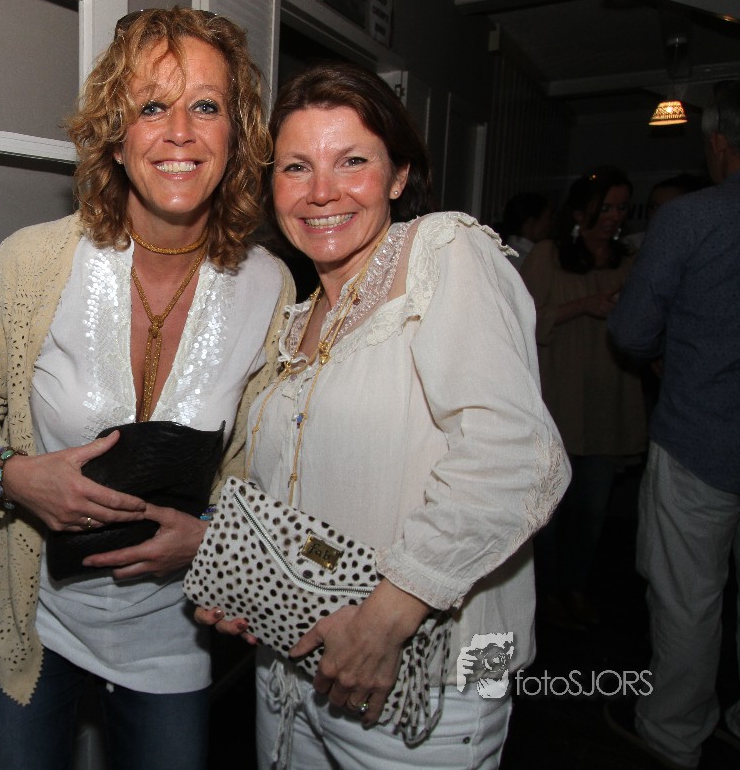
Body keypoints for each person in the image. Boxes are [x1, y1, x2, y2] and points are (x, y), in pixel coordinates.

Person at [0, 7, 294, 770]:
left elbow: (262, 462)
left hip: (174, 630)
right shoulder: (33, 263)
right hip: (33, 613)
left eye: (206, 106)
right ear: (115, 134)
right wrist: (12, 476)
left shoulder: (270, 286)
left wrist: (210, 536)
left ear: (237, 135)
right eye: (152, 107)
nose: (179, 133)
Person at [196, 61, 568, 769]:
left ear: (398, 176)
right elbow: (292, 492)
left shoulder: (444, 252)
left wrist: (386, 620)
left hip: (431, 679)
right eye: (296, 167)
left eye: (352, 161)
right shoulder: (296, 318)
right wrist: (238, 571)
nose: (321, 192)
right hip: (296, 663)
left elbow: (518, 457)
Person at [605, 81, 740, 770]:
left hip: (701, 438)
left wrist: (668, 351)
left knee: (687, 597)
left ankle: (673, 731)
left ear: (719, 143)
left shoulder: (694, 218)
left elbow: (631, 331)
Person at [519, 165, 646, 629]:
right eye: (605, 207)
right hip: (558, 398)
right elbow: (522, 318)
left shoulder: (629, 260)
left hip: (608, 400)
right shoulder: (549, 255)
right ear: (580, 211)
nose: (614, 217)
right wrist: (583, 307)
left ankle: (575, 587)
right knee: (547, 511)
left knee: (592, 511)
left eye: (621, 208)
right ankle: (547, 593)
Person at [494, 190, 553, 271]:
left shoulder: (501, 252)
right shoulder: (529, 260)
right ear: (531, 222)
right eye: (547, 218)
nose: (550, 223)